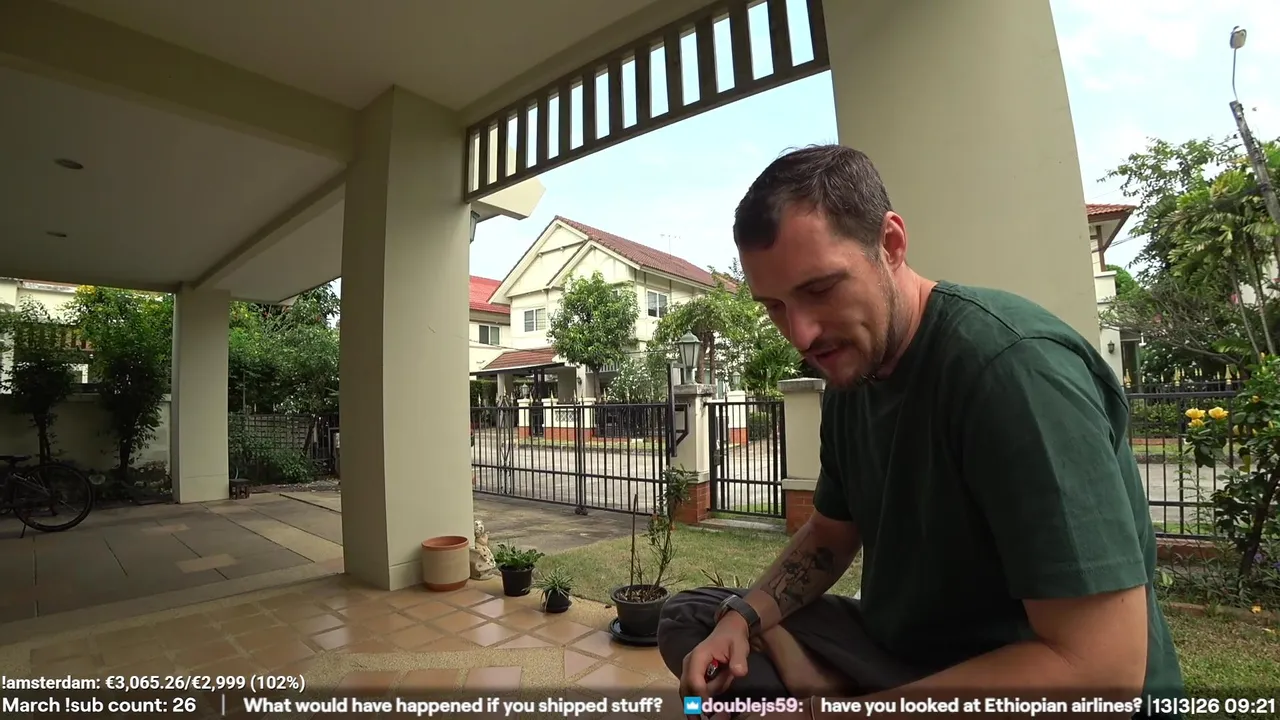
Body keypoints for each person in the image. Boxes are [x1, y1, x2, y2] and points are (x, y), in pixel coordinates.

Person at [656, 145, 1185, 719]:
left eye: (820, 289)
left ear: (890, 244)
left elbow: (1102, 671)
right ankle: (818, 678)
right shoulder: (851, 379)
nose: (802, 335)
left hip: (1031, 679)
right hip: (910, 656)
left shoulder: (1013, 372)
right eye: (775, 306)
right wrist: (744, 618)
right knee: (696, 619)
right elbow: (830, 534)